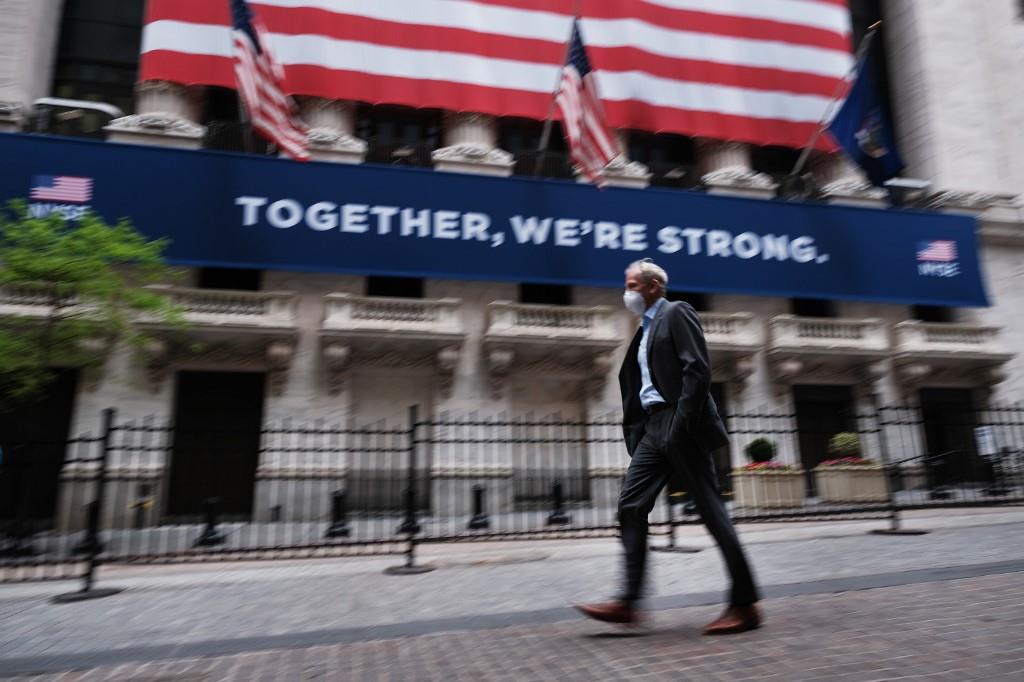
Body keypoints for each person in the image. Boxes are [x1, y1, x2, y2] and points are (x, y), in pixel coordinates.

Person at [575, 259, 761, 634]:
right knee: (631, 505)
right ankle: (628, 602)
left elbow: (697, 369)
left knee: (711, 511)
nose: (626, 292)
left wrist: (681, 423)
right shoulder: (643, 331)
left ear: (654, 286)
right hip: (653, 428)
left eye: (631, 285)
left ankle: (745, 605)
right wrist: (643, 430)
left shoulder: (676, 312)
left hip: (679, 423)